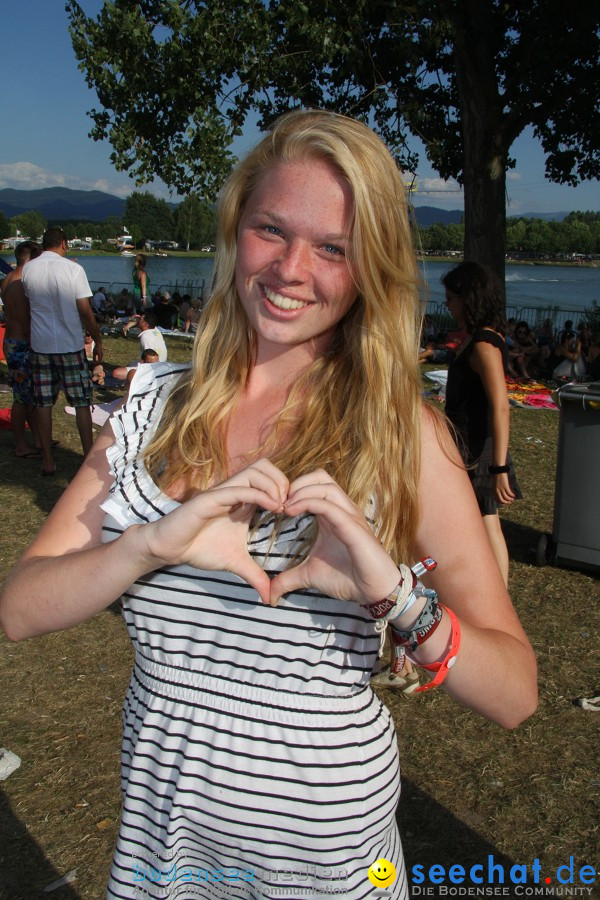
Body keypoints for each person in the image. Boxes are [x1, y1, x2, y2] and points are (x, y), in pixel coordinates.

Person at [0, 111, 536, 900]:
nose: (291, 269)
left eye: (333, 248)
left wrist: (396, 598)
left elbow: (516, 692)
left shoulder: (403, 434)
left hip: (329, 864)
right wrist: (148, 546)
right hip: (163, 844)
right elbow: (18, 609)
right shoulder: (154, 403)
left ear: (368, 269)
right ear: (235, 231)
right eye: (271, 230)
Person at [443, 261, 522, 586]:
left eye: (450, 298)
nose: (447, 304)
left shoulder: (485, 343)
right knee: (479, 521)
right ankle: (483, 585)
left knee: (488, 522)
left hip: (481, 448)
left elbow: (501, 406)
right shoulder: (476, 338)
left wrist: (499, 468)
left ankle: (498, 594)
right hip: (467, 444)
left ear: (468, 298)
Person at [21, 227, 103, 475]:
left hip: (41, 345)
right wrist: (97, 340)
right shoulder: (73, 269)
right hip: (69, 345)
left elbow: (29, 307)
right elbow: (86, 312)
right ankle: (87, 458)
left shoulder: (28, 270)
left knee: (44, 404)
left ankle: (47, 460)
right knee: (81, 402)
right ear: (64, 244)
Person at [0, 241, 42, 457]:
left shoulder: (7, 279)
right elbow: (25, 319)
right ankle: (20, 444)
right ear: (31, 258)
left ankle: (36, 438)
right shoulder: (21, 283)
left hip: (12, 341)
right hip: (21, 344)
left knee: (29, 395)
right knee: (21, 397)